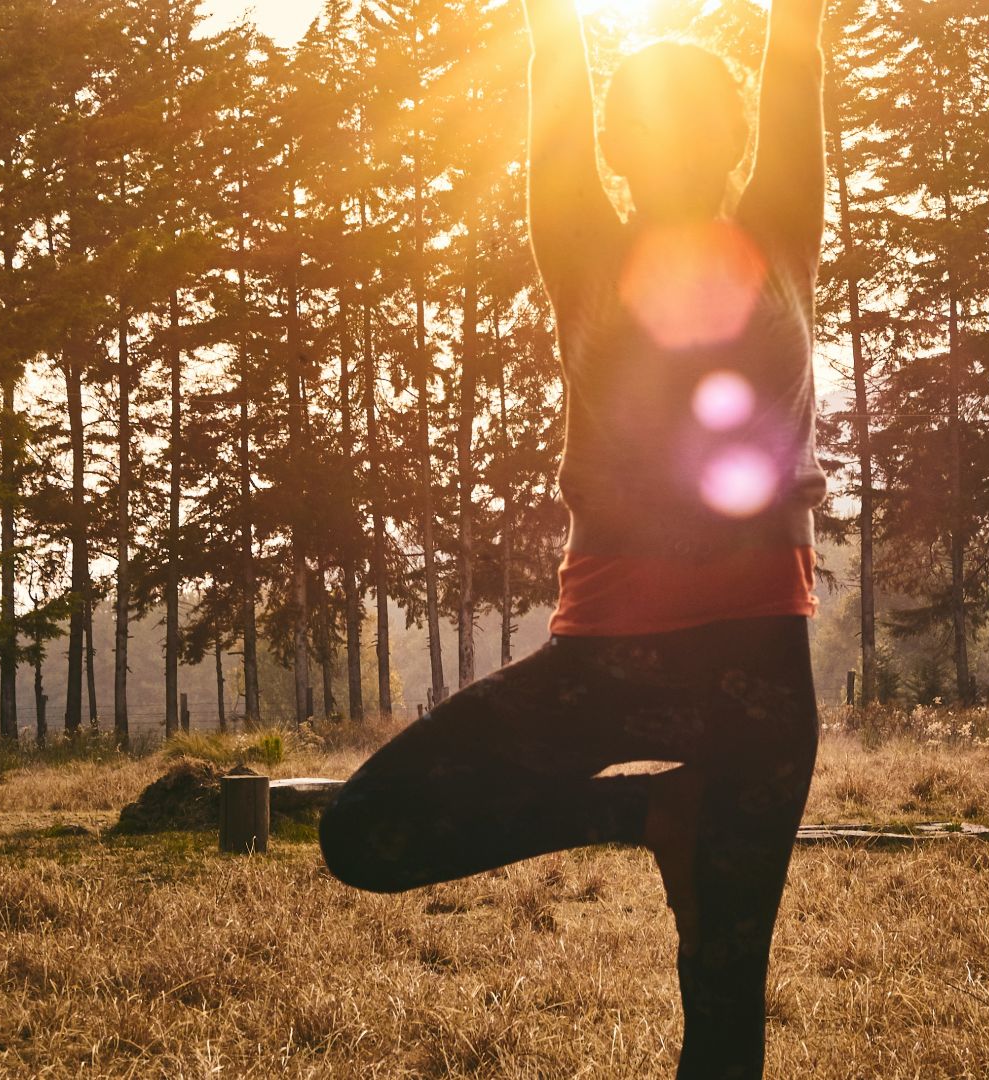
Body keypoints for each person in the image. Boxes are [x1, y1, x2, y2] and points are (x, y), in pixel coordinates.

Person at [319, 0, 827, 1074]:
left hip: (750, 673)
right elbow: (554, 54)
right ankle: (652, 811)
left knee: (726, 1004)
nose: (672, 146)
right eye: (648, 127)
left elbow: (797, 50)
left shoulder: (779, 227)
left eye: (695, 125)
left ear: (738, 142)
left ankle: (657, 813)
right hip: (617, 664)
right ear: (612, 147)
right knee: (365, 833)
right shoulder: (586, 244)